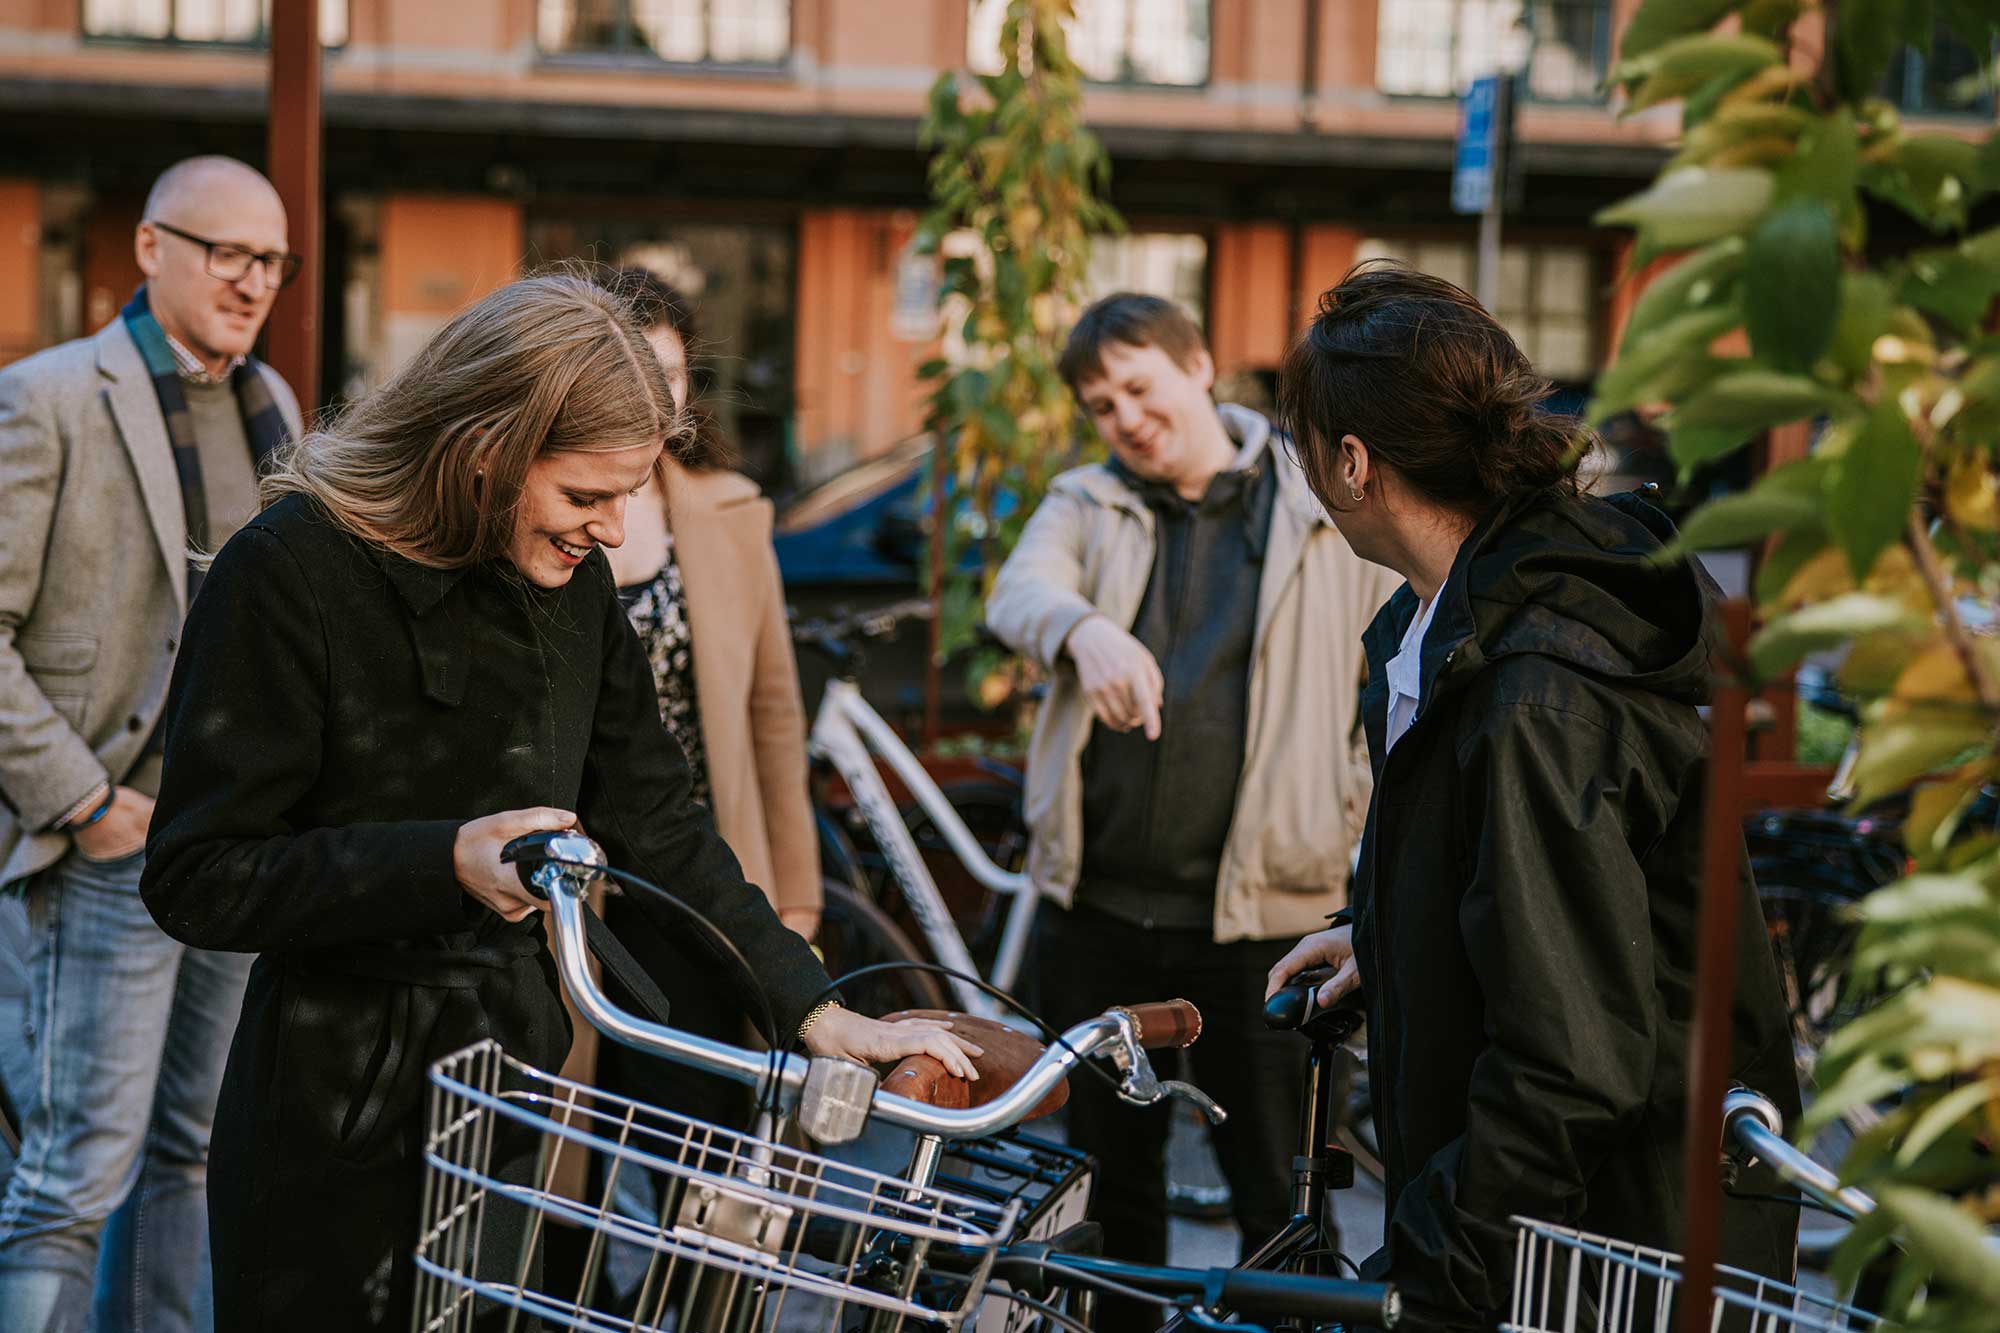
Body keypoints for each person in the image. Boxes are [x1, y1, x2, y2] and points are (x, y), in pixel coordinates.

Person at [137, 273, 980, 1331]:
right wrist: (439, 861)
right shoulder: (288, 569)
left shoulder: (567, 581)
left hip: (506, 1087)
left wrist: (813, 1007)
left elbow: (657, 815)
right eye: (587, 497)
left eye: (628, 496)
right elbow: (195, 876)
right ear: (485, 447)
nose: (614, 532)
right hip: (330, 1108)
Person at [1265, 261, 1800, 1331]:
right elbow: (1545, 906)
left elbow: (1568, 1057)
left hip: (1591, 1262)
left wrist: (1433, 1270)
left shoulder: (1535, 683)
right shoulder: (1451, 630)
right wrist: (1385, 936)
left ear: (1354, 463)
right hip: (1539, 1239)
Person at [985, 293, 1397, 1328]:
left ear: (1199, 364)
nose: (1122, 415)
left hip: (1264, 920)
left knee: (1279, 1197)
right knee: (1108, 1201)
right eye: (1098, 403)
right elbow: (1017, 591)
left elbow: (1390, 675)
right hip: (1098, 916)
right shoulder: (1085, 500)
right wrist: (1084, 631)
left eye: (1136, 384)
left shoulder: (1315, 502)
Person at [0, 156, 303, 1332]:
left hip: (229, 847)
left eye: (270, 259)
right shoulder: (51, 397)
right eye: (225, 251)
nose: (250, 280)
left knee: (192, 1155)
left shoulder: (275, 403)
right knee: (71, 1179)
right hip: (110, 848)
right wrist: (83, 803)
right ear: (149, 249)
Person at [594, 270, 821, 1135]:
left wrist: (794, 894)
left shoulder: (729, 513)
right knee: (564, 1131)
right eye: (628, 373)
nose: (652, 400)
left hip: (694, 870)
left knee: (699, 1125)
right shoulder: (533, 508)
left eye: (670, 377)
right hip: (563, 883)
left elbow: (774, 712)